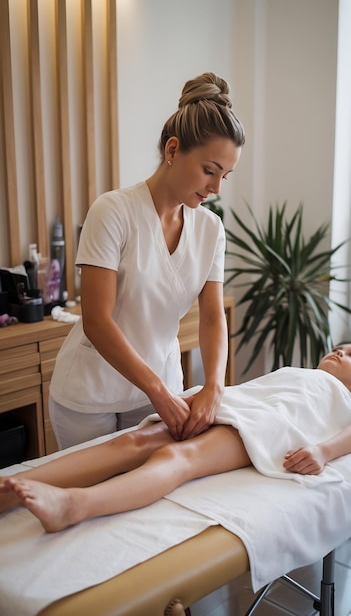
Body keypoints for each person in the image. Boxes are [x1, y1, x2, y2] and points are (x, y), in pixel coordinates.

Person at [48, 72, 246, 450]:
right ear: (173, 151)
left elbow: (211, 316)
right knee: (90, 500)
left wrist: (214, 385)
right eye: (209, 171)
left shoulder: (211, 229)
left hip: (162, 387)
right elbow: (96, 320)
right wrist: (157, 390)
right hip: (92, 393)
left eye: (226, 176)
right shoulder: (113, 211)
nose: (216, 188)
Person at [1, 345, 351, 533]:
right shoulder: (302, 372)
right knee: (132, 443)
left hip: (267, 424)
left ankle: (74, 506)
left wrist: (322, 451)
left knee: (177, 459)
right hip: (233, 402)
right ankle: (10, 489)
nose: (340, 352)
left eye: (350, 356)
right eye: (342, 347)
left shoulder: (342, 397)